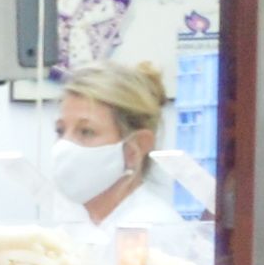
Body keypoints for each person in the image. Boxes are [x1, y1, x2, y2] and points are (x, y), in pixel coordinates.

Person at [41, 57, 211, 242]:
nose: (65, 146)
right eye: (60, 130)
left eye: (86, 132)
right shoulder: (76, 226)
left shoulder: (151, 230)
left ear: (135, 148)